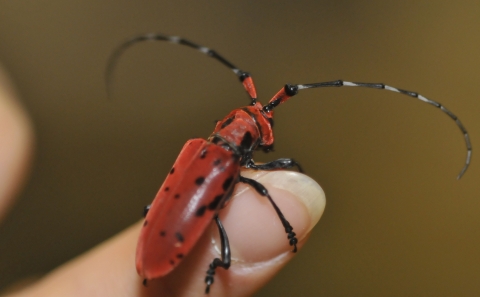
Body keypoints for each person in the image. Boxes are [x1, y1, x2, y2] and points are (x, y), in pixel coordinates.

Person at [0, 65, 325, 297]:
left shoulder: (197, 147)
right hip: (165, 247)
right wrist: (287, 228)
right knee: (229, 252)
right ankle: (216, 267)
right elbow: (265, 189)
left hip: (157, 239)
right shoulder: (220, 159)